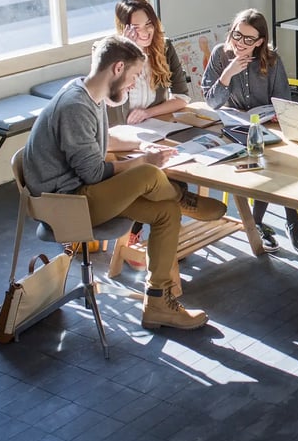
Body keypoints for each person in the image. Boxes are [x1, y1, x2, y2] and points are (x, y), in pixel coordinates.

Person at [22, 35, 211, 330]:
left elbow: (103, 141)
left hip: (81, 194)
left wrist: (144, 148)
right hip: (65, 205)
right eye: (134, 76)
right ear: (118, 68)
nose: (134, 84)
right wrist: (143, 163)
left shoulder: (88, 93)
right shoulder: (74, 106)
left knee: (166, 213)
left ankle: (158, 304)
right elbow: (94, 174)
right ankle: (180, 196)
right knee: (148, 175)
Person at [110, 0, 225, 263]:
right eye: (136, 28)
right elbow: (111, 100)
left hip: (157, 127)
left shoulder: (164, 47)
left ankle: (169, 223)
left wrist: (149, 112)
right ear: (124, 29)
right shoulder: (111, 54)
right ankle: (157, 221)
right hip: (120, 137)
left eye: (149, 24)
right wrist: (126, 50)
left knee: (178, 158)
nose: (145, 32)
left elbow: (182, 96)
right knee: (150, 170)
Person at [201, 8, 298, 256]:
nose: (240, 43)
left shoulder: (271, 59)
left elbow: (283, 101)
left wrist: (273, 115)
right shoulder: (221, 55)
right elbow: (211, 101)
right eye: (237, 35)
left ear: (260, 41)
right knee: (260, 159)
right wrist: (228, 73)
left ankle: (284, 221)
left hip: (268, 127)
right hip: (233, 129)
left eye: (249, 39)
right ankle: (263, 223)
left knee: (276, 161)